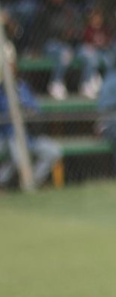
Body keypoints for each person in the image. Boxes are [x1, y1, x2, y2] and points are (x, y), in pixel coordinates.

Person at [0, 42, 63, 188]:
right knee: (18, 159)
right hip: (10, 136)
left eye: (11, 65)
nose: (10, 69)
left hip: (30, 136)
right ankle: (5, 182)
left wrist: (28, 112)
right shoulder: (1, 91)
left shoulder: (22, 87)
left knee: (54, 152)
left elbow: (36, 109)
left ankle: (32, 182)